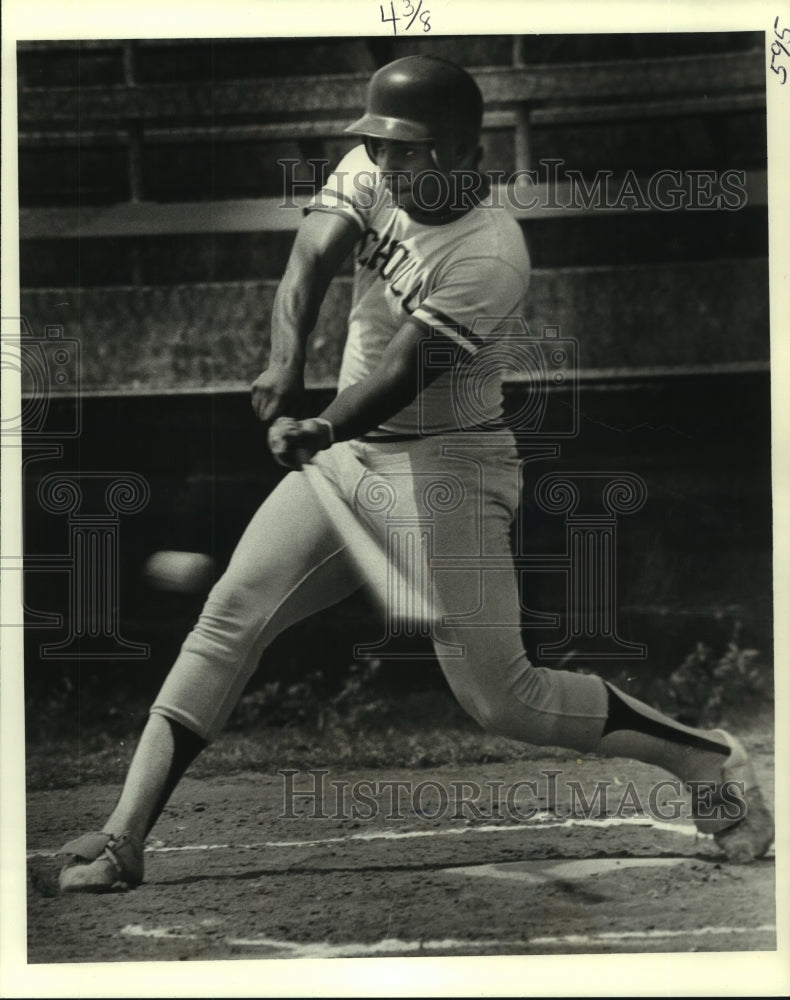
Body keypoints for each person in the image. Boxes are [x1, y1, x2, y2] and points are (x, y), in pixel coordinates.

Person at [55, 55, 773, 893]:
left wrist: (320, 420)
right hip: (350, 460)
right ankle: (121, 838)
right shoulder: (371, 167)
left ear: (467, 154)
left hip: (449, 467)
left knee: (509, 703)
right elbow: (307, 264)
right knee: (229, 620)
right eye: (380, 146)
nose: (389, 164)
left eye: (411, 151)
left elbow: (403, 371)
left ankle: (708, 760)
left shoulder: (491, 254)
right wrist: (285, 366)